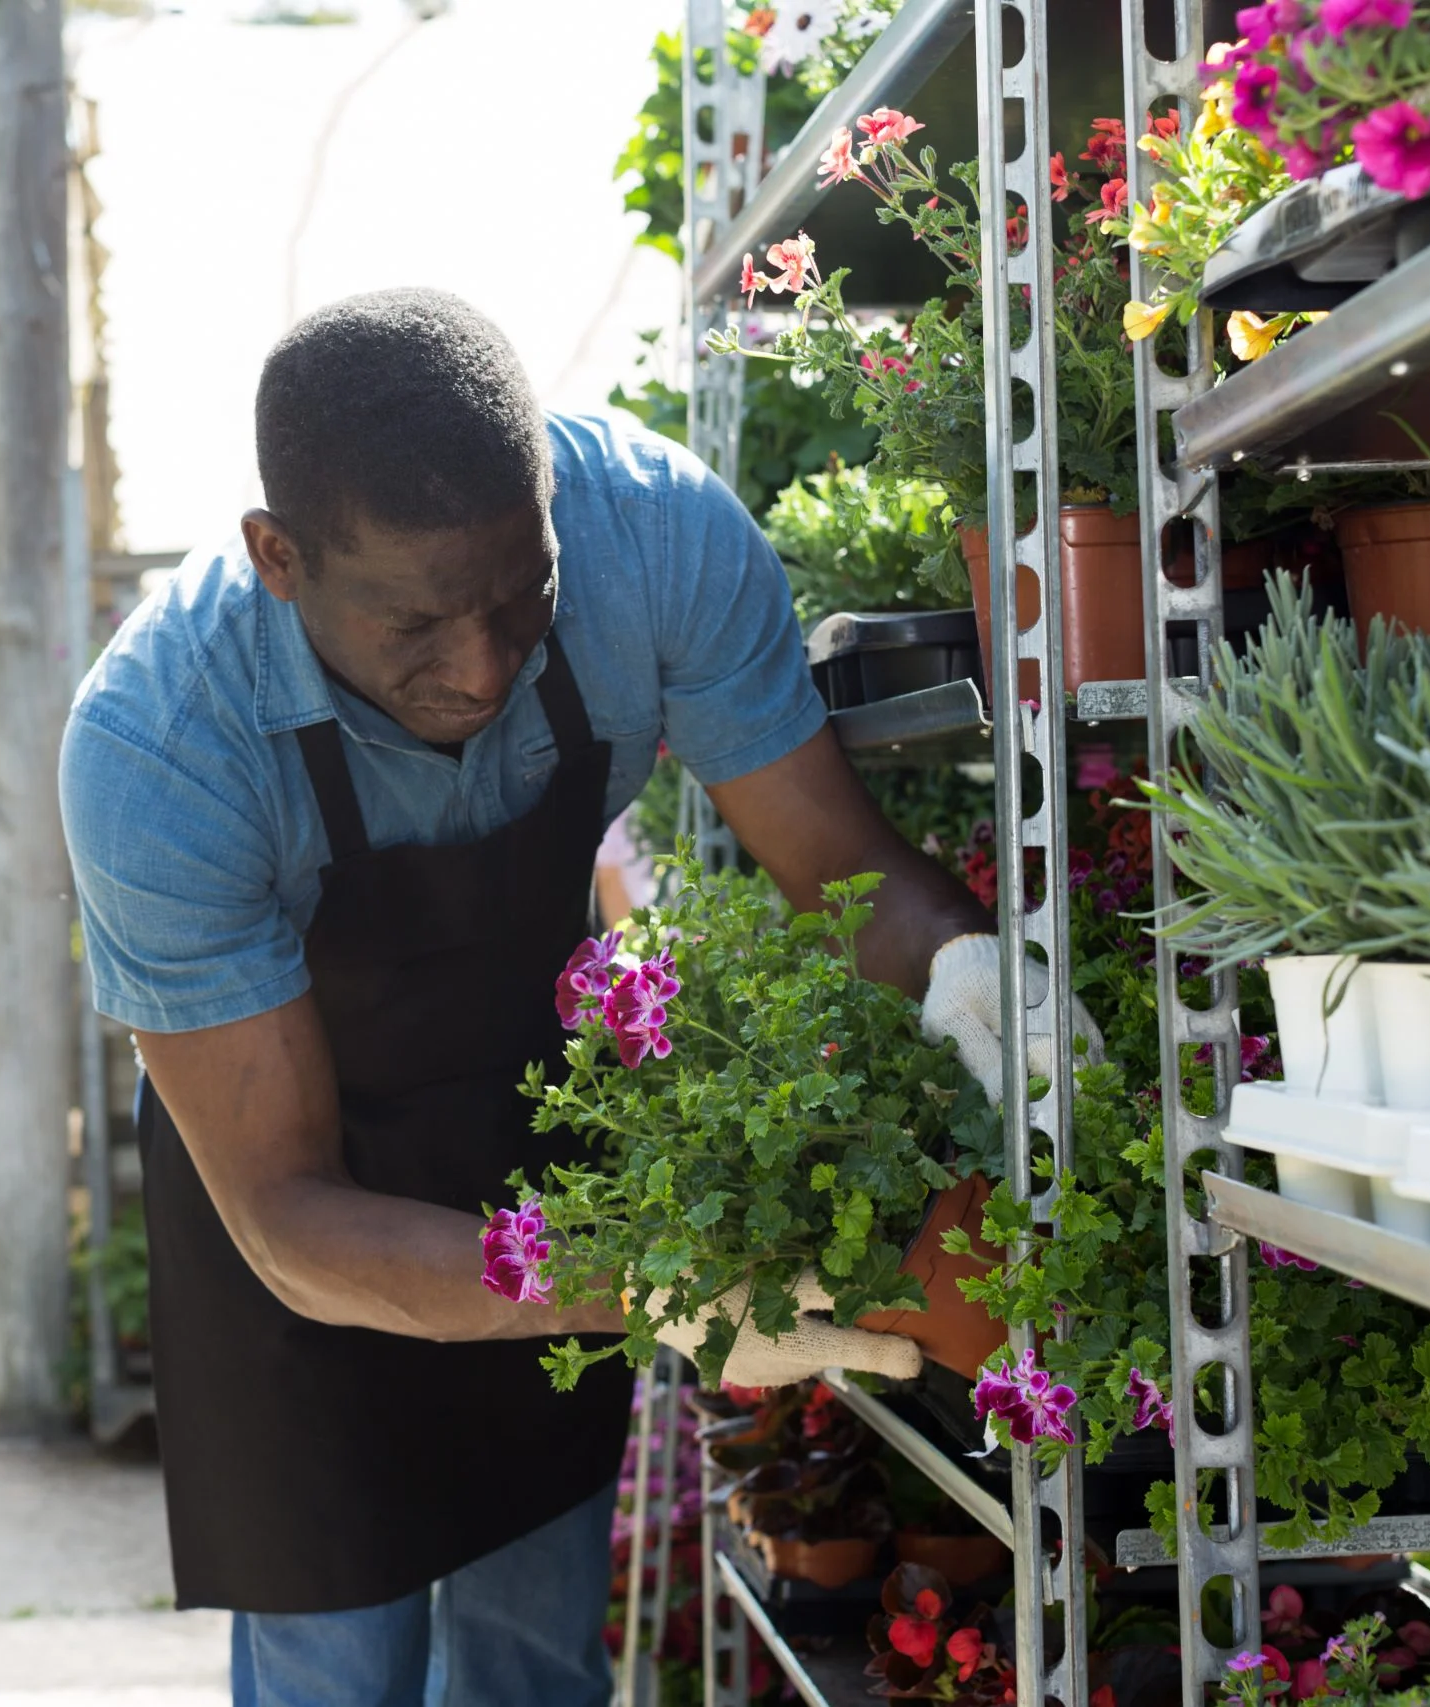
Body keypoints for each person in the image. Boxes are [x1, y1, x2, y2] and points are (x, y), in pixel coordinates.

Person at [58, 288, 1091, 1707]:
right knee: (336, 1660)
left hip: (529, 1116)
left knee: (532, 1652)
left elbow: (841, 868)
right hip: (293, 1190)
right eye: (417, 621)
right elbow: (291, 1213)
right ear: (279, 558)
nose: (483, 664)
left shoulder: (649, 533)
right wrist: (663, 1288)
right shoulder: (162, 744)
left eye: (519, 594)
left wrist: (969, 969)